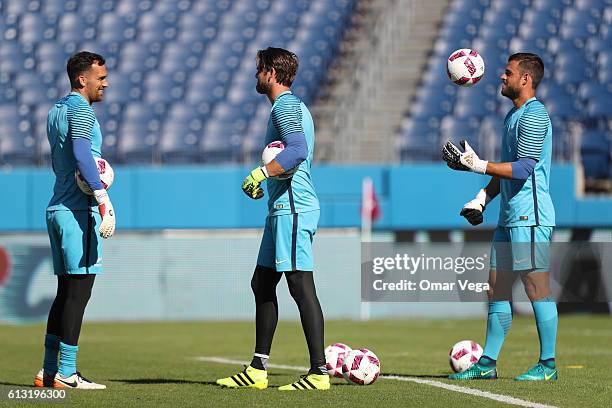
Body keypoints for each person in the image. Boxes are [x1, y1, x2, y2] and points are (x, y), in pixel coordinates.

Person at [216, 47, 328, 391]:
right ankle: (258, 369)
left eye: (258, 69)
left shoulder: (287, 106)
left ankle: (319, 372)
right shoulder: (283, 107)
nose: (255, 76)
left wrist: (261, 173)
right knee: (262, 284)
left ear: (271, 72)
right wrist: (266, 183)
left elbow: (297, 151)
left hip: (295, 209)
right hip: (281, 209)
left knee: (299, 284)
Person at [443, 53, 557, 381]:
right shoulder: (512, 117)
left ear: (526, 79)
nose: (501, 78)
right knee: (496, 289)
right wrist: (480, 199)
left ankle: (548, 365)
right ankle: (487, 363)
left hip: (531, 217)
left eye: (508, 73)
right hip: (510, 217)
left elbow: (523, 168)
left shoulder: (535, 116)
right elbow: (505, 172)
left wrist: (476, 164)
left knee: (537, 289)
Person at [35, 51, 116, 390]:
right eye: (101, 77)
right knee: (78, 293)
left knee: (65, 293)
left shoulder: (57, 110)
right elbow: (83, 155)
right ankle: (67, 374)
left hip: (57, 207)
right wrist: (103, 199)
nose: (106, 83)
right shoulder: (82, 109)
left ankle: (48, 371)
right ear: (82, 79)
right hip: (76, 212)